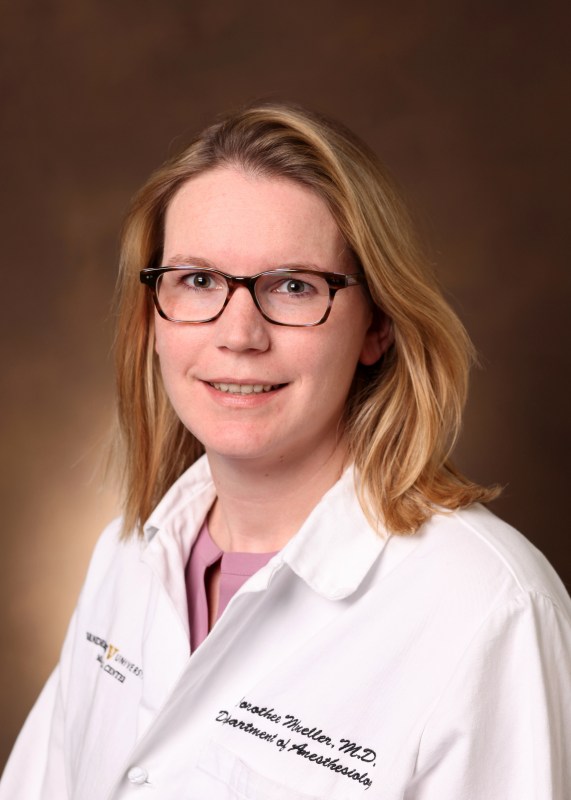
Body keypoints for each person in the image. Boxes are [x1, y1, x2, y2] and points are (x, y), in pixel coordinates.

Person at [1, 102, 570, 800]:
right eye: (198, 280)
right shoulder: (126, 555)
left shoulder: (488, 609)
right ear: (152, 315)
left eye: (294, 286)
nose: (239, 335)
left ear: (378, 326)